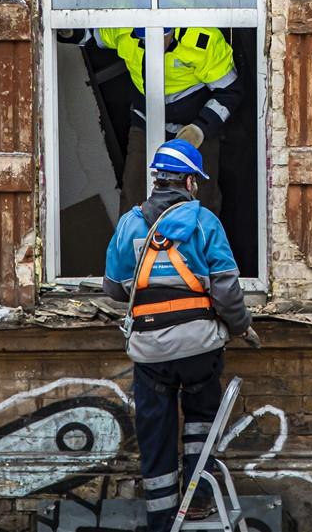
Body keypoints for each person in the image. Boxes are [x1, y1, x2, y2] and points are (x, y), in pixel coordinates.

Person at [103, 139, 259, 530]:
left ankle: (161, 515)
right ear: (190, 182)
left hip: (150, 353)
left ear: (157, 180)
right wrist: (241, 326)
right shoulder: (204, 222)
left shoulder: (129, 223)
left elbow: (114, 289)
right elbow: (225, 290)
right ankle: (199, 501)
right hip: (198, 348)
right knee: (200, 419)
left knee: (155, 432)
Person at [94, 26, 243, 215]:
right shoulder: (123, 27)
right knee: (134, 194)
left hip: (195, 131)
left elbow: (231, 92)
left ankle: (200, 244)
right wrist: (68, 33)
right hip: (146, 126)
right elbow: (89, 32)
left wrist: (200, 129)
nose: (152, 43)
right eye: (145, 38)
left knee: (202, 200)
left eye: (159, 35)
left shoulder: (203, 39)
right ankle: (137, 243)